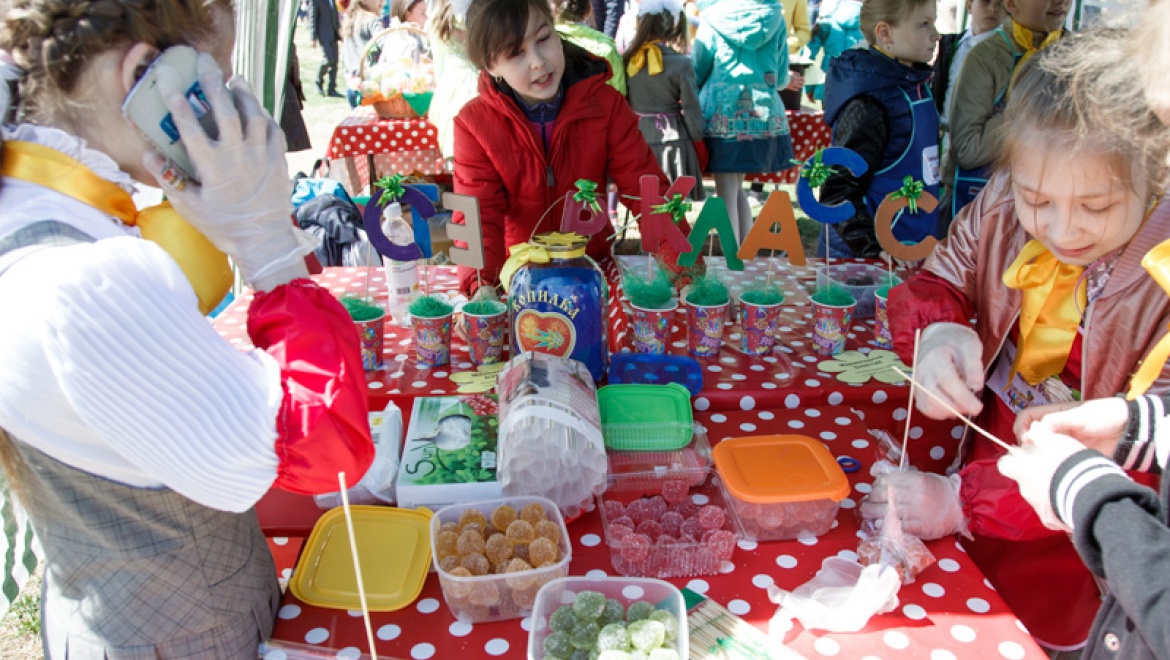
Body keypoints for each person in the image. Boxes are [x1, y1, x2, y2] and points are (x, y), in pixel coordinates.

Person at [0, 0, 375, 656]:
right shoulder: (89, 281)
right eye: (218, 83)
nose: (227, 108)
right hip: (184, 637)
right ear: (148, 73)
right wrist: (271, 253)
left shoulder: (29, 213)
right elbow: (324, 449)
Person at [865, 28, 1170, 654]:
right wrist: (936, 332)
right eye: (1038, 200)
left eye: (1096, 206)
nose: (1062, 229)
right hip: (994, 471)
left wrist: (962, 502)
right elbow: (941, 278)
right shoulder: (1003, 203)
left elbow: (1143, 450)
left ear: (1156, 174)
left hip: (1087, 538)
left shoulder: (1161, 274)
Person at [452, 0, 671, 296]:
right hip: (517, 278)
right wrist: (480, 284)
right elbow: (476, 214)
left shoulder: (606, 106)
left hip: (592, 272)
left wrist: (686, 272)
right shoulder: (473, 125)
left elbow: (648, 191)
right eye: (516, 53)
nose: (538, 61)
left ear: (556, 30)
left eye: (543, 39)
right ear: (491, 66)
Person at [816, 0, 942, 257]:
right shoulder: (869, 103)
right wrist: (874, 248)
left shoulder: (915, 83)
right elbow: (838, 190)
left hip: (908, 248)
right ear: (885, 34)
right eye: (924, 24)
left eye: (934, 22)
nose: (936, 34)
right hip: (862, 263)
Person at [942, 0, 1067, 223]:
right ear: (1010, 4)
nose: (1062, 1)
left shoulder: (1078, 56)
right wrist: (1030, 105)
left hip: (1055, 210)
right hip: (981, 214)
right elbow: (969, 150)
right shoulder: (986, 58)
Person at [693, 0, 794, 242]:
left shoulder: (712, 17)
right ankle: (746, 260)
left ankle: (735, 264)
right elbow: (780, 77)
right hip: (764, 114)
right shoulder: (775, 16)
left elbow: (697, 69)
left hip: (721, 113)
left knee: (727, 191)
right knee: (736, 189)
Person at [623, 0, 705, 200]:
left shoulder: (627, 60)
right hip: (673, 142)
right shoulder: (681, 63)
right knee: (674, 203)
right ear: (671, 26)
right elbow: (691, 106)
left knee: (643, 200)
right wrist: (698, 137)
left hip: (639, 141)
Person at [931, 0, 1004, 133]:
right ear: (969, 5)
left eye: (999, 3)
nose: (993, 8)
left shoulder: (1006, 53)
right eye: (986, 2)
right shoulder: (950, 45)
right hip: (944, 136)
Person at [429, 0, 480, 159]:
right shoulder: (472, 12)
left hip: (450, 84)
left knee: (458, 147)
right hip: (472, 82)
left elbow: (439, 60)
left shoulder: (439, 14)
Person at [555, 0, 626, 95]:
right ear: (589, 10)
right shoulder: (606, 49)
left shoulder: (548, 43)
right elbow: (619, 93)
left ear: (555, 11)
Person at [341, 0, 387, 108]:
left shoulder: (350, 20)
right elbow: (384, 43)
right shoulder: (372, 20)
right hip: (368, 85)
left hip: (351, 84)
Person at [311, 0, 345, 96]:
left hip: (334, 34)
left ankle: (332, 89)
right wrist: (313, 37)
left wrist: (340, 32)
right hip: (323, 34)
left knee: (335, 62)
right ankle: (318, 81)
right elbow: (312, 17)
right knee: (328, 59)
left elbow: (335, 16)